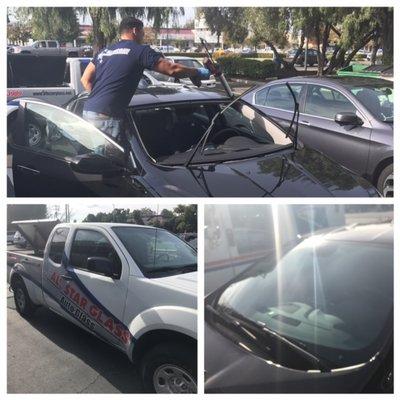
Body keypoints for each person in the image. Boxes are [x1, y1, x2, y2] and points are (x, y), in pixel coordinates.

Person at [81, 17, 211, 141]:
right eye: (142, 32)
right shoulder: (140, 51)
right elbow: (172, 69)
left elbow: (85, 79)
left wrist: (100, 102)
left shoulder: (104, 51)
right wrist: (198, 71)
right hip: (107, 118)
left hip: (88, 113)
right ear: (135, 31)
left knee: (96, 159)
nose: (143, 36)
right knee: (114, 162)